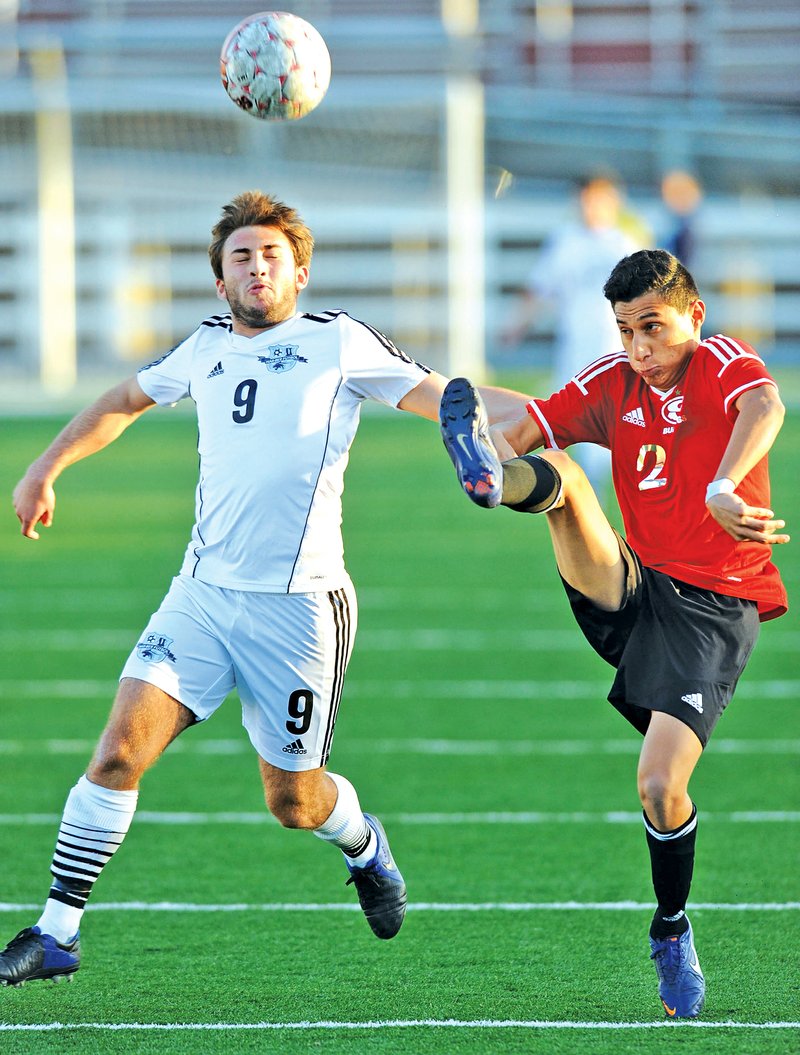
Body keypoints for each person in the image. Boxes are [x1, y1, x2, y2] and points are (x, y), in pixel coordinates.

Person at [1, 190, 528, 987]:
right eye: (240, 257)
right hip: (203, 595)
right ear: (220, 283)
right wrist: (46, 467)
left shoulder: (339, 341)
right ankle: (57, 930)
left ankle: (362, 843)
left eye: (271, 254)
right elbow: (123, 400)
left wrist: (575, 420)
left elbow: (449, 400)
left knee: (293, 801)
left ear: (301, 270)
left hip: (301, 610)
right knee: (116, 754)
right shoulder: (205, 345)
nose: (256, 266)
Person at [440, 249, 788, 1019]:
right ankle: (494, 485)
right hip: (633, 586)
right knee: (558, 473)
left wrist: (724, 485)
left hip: (712, 611)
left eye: (653, 327)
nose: (638, 347)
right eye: (626, 330)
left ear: (693, 317)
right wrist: (491, 443)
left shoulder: (722, 361)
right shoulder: (612, 381)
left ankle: (671, 926)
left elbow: (765, 408)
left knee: (661, 786)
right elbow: (530, 422)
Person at [500, 175, 647, 499]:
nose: (589, 207)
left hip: (615, 346)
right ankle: (566, 489)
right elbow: (539, 288)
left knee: (617, 417)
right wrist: (516, 326)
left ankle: (610, 490)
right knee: (564, 415)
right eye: (584, 199)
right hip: (574, 346)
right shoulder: (565, 241)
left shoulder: (625, 244)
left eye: (596, 199)